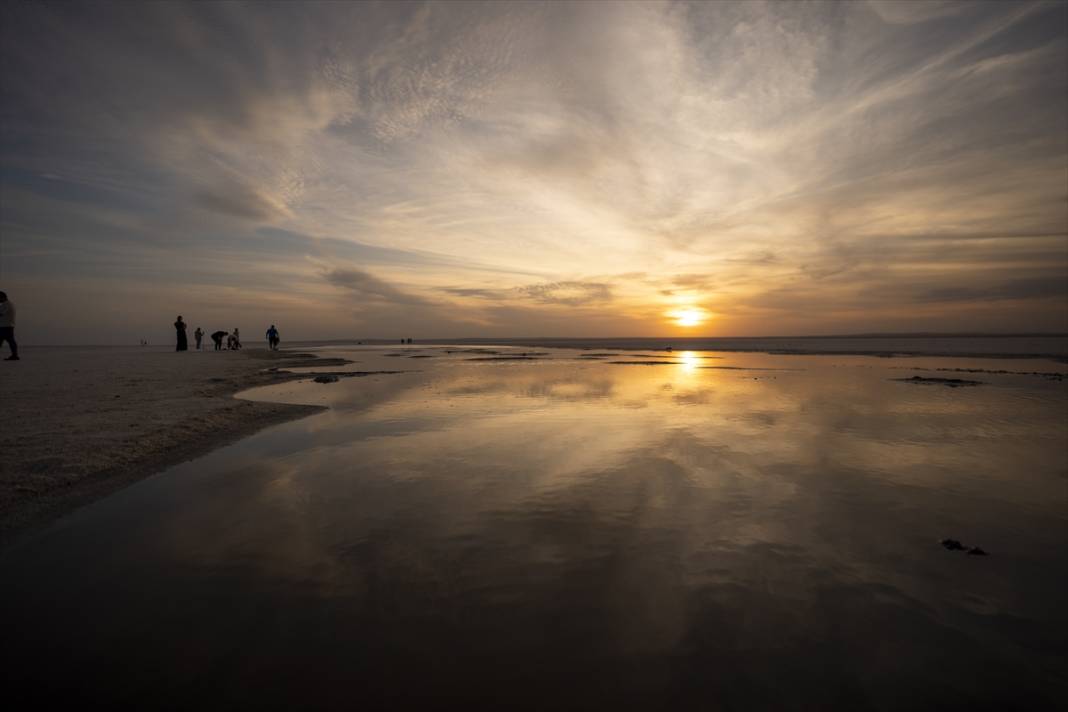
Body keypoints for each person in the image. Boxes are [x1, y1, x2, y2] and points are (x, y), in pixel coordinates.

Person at [0, 291, 18, 361]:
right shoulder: (6, 304)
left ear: (2, 297)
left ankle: (15, 355)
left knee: (10, 341)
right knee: (11, 341)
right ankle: (15, 355)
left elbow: (1, 314)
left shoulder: (7, 305)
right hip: (6, 326)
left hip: (5, 326)